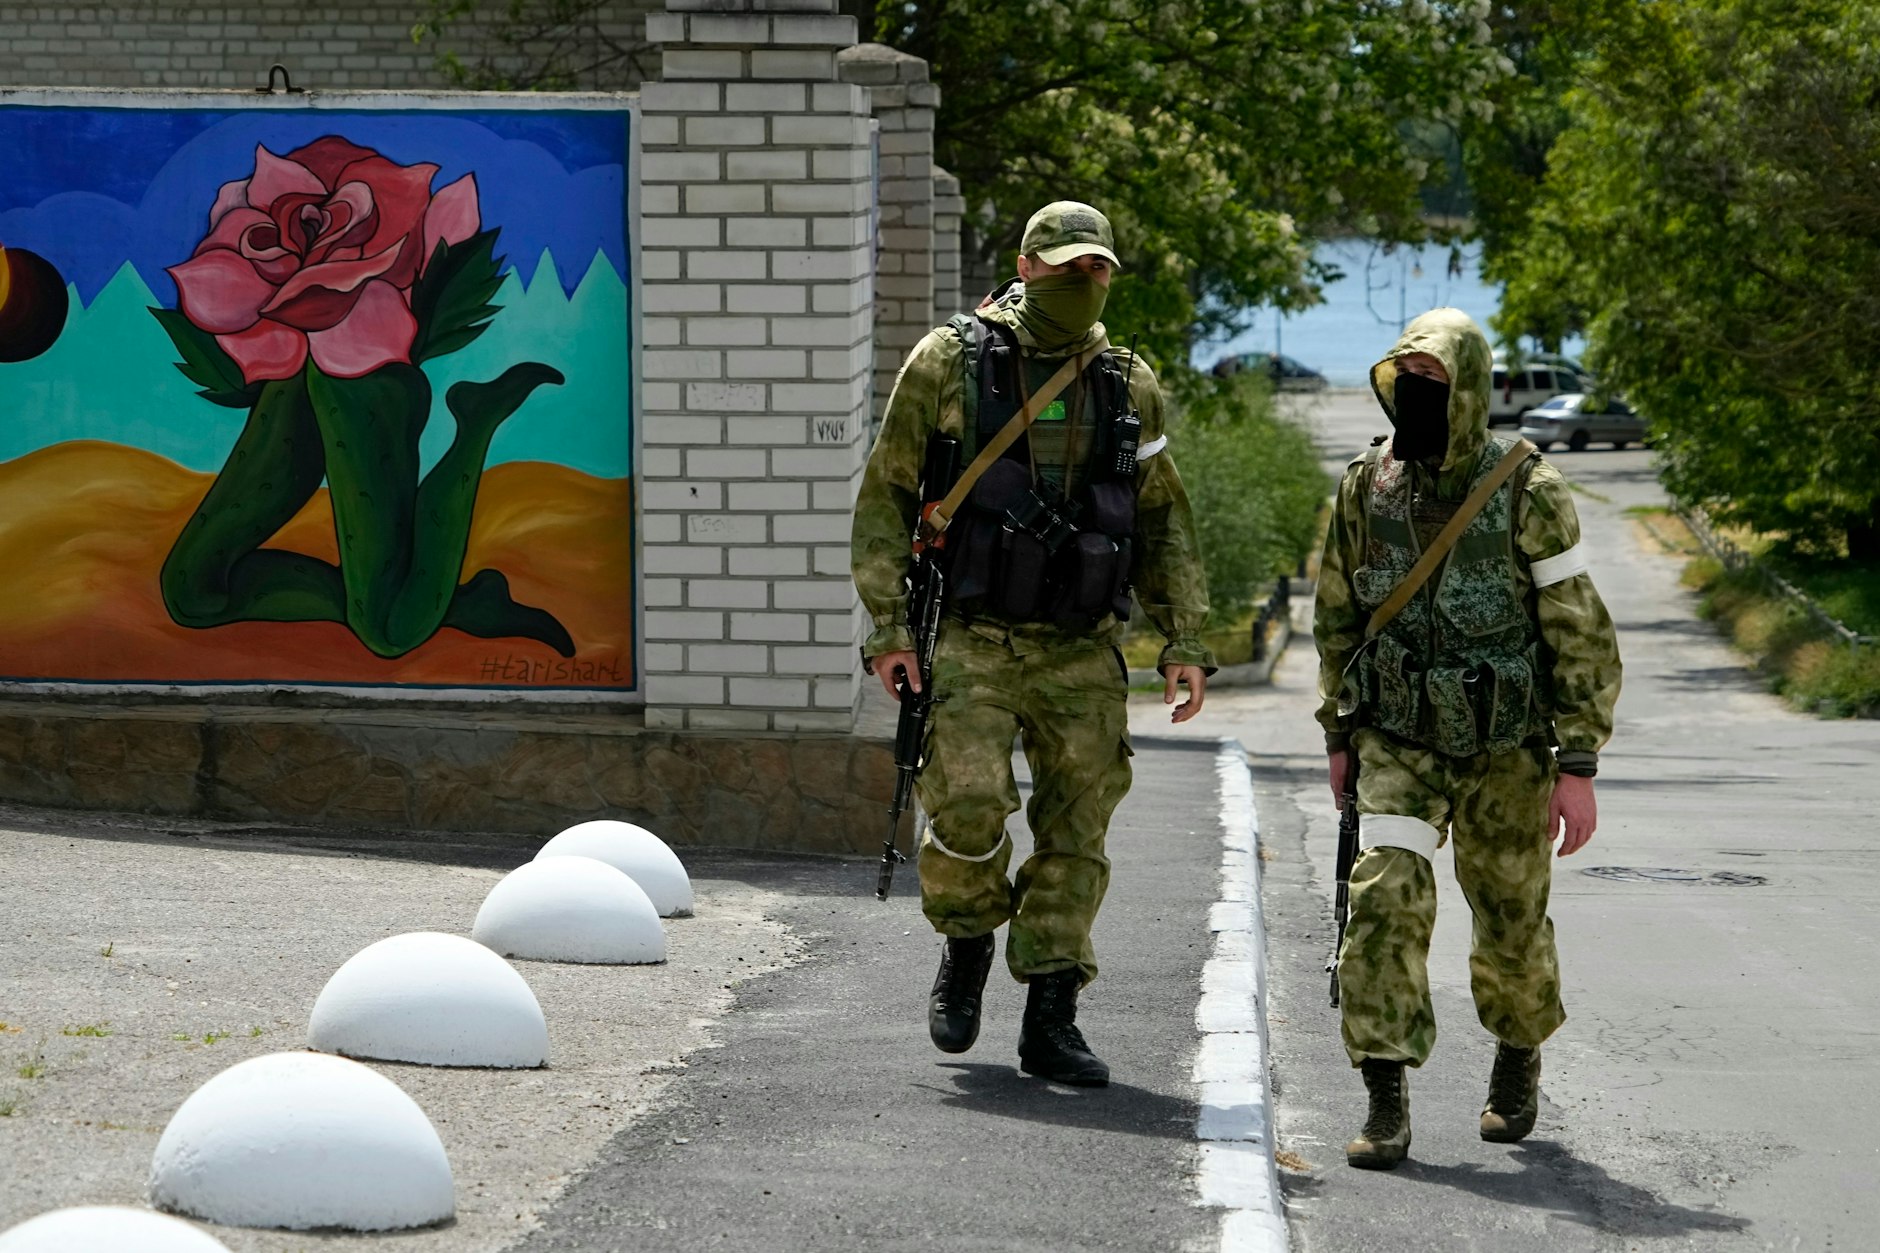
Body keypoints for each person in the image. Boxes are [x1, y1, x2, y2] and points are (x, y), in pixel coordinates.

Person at [851, 201, 1214, 1086]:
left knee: (1076, 830)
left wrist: (1185, 638)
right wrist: (890, 626)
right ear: (1025, 265)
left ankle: (1052, 1011)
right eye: (1064, 265)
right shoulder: (948, 361)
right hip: (973, 634)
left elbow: (1162, 518)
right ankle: (968, 944)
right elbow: (887, 493)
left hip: (1082, 644)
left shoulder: (1127, 381)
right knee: (968, 807)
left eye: (1096, 269)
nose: (1080, 281)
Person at [1313, 308, 1622, 1168]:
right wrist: (1338, 732)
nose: (1416, 392)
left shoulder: (1528, 487)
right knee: (1383, 902)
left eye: (1436, 380)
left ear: (1472, 389)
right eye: (1406, 376)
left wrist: (1578, 763)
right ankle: (1384, 1095)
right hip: (1399, 738)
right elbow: (1337, 616)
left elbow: (1579, 630)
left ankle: (1517, 1055)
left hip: (1505, 746)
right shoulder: (1365, 486)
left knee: (1512, 918)